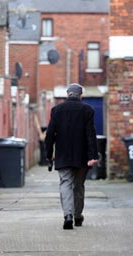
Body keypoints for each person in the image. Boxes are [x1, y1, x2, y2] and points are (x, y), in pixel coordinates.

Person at [44, 83, 98, 230]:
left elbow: (50, 135)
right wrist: (93, 155)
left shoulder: (57, 110)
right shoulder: (87, 110)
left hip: (63, 155)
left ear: (68, 94)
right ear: (81, 95)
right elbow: (90, 134)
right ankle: (77, 216)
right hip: (82, 157)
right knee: (78, 186)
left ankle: (67, 215)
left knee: (65, 184)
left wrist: (49, 154)